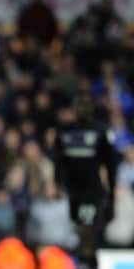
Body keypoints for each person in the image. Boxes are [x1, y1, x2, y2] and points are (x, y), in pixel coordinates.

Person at [53, 94, 118, 269]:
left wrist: (111, 196)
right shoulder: (64, 132)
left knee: (88, 230)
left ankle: (87, 263)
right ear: (74, 110)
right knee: (77, 230)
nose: (82, 110)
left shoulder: (101, 132)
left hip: (92, 191)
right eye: (79, 107)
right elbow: (58, 162)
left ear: (91, 110)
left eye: (85, 106)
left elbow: (111, 165)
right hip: (72, 191)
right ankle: (84, 261)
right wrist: (57, 184)